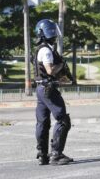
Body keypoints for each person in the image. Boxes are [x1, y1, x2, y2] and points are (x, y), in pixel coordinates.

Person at [33, 19, 73, 165]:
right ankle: (56, 154)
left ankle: (43, 155)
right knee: (63, 119)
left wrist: (64, 79)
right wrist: (61, 64)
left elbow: (44, 72)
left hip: (40, 89)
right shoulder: (46, 50)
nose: (55, 34)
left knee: (42, 122)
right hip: (48, 90)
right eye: (52, 31)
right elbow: (50, 70)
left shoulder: (40, 49)